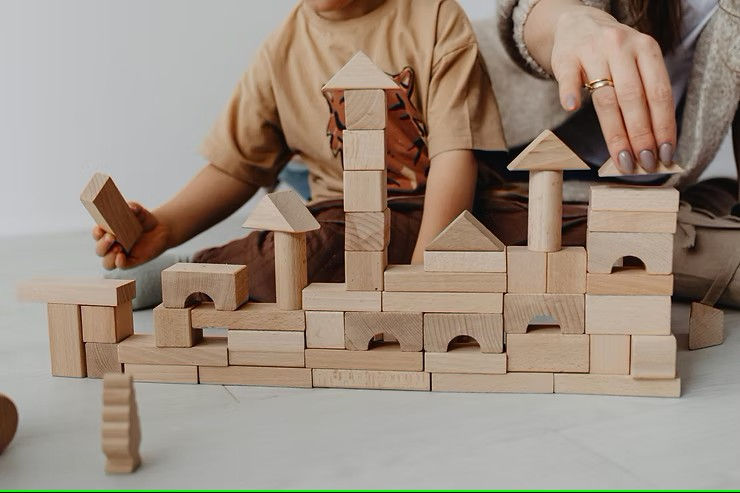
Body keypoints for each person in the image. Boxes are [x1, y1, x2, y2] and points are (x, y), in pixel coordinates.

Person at [92, 0, 507, 307]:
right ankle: (201, 270)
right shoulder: (282, 49)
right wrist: (165, 226)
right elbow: (238, 166)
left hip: (451, 205)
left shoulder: (435, 16)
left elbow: (456, 156)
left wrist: (423, 275)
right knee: (303, 254)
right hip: (347, 221)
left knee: (553, 235)